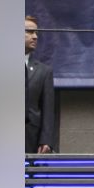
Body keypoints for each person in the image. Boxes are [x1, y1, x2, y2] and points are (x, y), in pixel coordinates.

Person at [24, 15, 56, 154]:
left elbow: (47, 109)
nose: (35, 37)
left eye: (36, 33)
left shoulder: (44, 71)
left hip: (31, 139)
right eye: (30, 32)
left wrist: (46, 140)